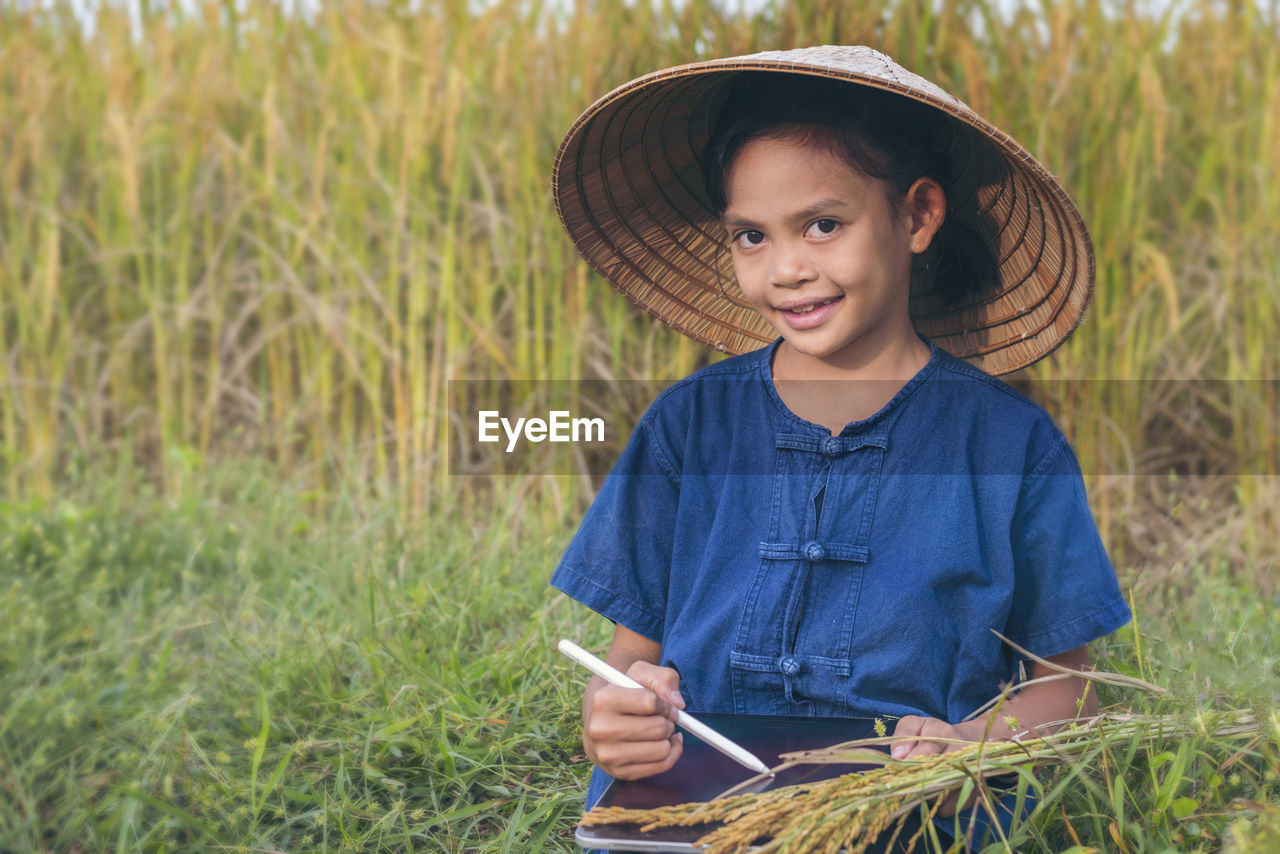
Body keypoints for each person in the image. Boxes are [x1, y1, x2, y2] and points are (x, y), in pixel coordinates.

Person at [549, 45, 1130, 848]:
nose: (786, 268)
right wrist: (615, 717)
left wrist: (963, 747)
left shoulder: (1009, 445)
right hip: (697, 822)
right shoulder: (688, 425)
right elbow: (628, 666)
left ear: (918, 216)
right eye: (751, 236)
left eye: (824, 225)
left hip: (916, 819)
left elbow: (1069, 694)